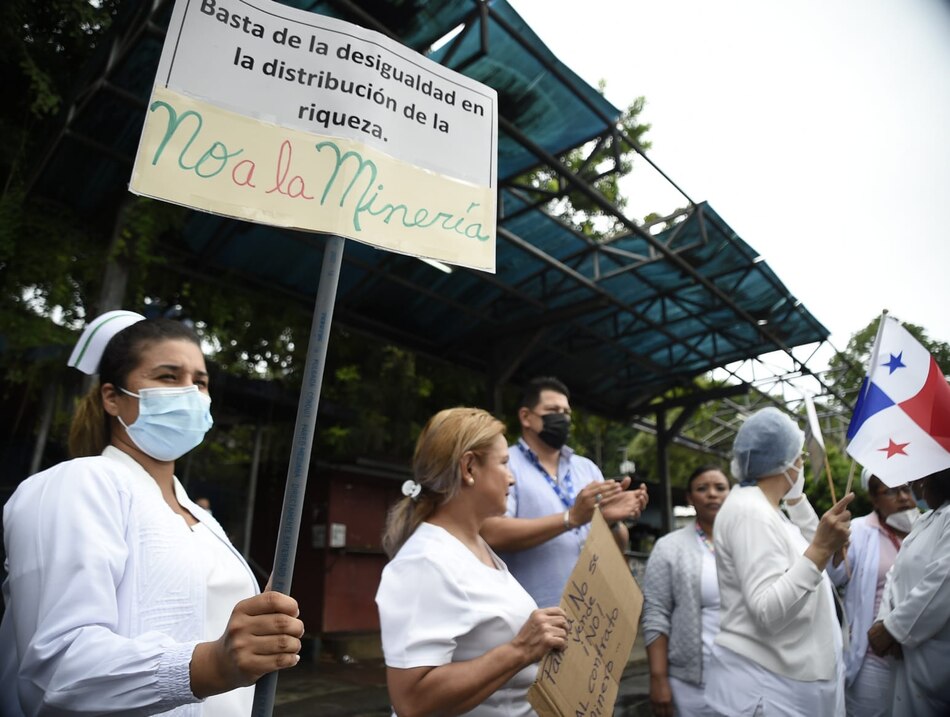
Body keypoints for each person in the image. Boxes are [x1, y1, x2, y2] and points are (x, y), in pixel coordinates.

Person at [0, 310, 304, 716]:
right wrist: (212, 664)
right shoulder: (76, 484)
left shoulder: (202, 519)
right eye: (168, 377)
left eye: (200, 382)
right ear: (112, 397)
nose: (190, 392)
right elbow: (56, 671)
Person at [375, 407, 568, 717]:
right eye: (503, 463)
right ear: (468, 467)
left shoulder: (475, 547)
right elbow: (411, 701)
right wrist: (521, 650)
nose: (511, 479)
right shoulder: (424, 561)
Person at [704, 407, 853, 716]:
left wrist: (797, 501)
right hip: (771, 684)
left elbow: (809, 546)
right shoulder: (751, 512)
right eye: (800, 456)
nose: (802, 463)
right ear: (787, 462)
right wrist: (820, 550)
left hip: (786, 678)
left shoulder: (766, 509)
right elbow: (767, 610)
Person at [480, 377, 649, 608]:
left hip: (590, 615)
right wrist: (571, 518)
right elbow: (491, 532)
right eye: (553, 411)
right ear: (526, 417)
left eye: (566, 412)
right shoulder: (506, 465)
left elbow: (617, 547)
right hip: (533, 615)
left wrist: (610, 522)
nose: (562, 418)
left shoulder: (587, 469)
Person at [827, 468, 918, 716]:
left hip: (917, 656)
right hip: (872, 658)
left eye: (907, 488)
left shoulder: (928, 528)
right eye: (891, 491)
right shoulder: (858, 530)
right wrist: (836, 551)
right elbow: (835, 578)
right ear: (874, 499)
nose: (903, 497)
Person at [642, 465, 730, 717]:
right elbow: (656, 613)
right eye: (702, 489)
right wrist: (658, 678)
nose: (712, 494)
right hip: (692, 686)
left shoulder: (749, 541)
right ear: (690, 498)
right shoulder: (669, 547)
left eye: (720, 488)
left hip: (746, 677)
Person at [868, 466, 950, 716]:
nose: (915, 486)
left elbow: (943, 581)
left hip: (935, 660)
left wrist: (894, 628)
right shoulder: (925, 520)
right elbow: (895, 575)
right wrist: (884, 620)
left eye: (922, 477)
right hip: (907, 656)